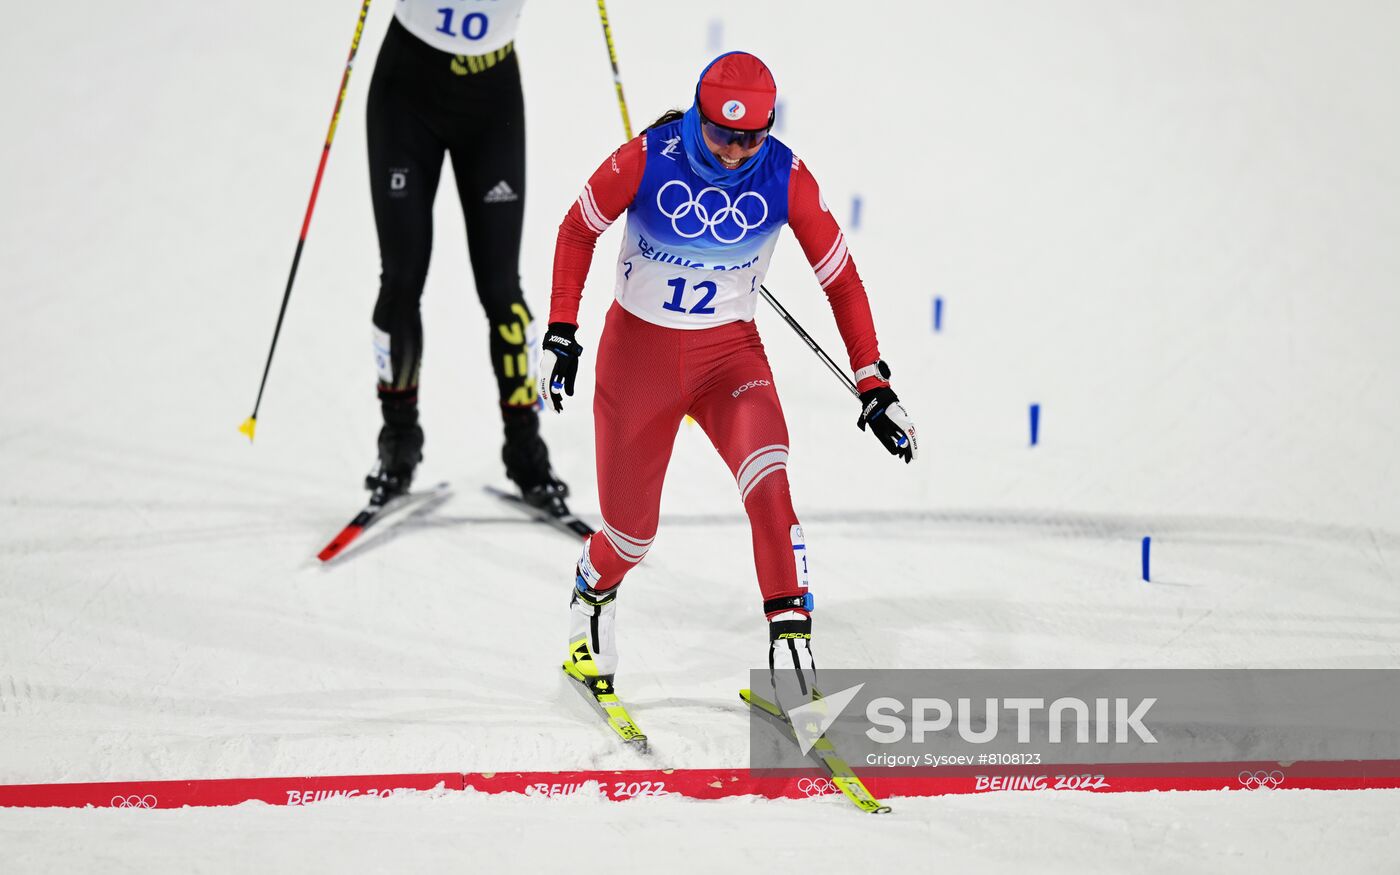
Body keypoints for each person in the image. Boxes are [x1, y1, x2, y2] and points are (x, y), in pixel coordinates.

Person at [539, 51, 917, 709]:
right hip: (638, 364)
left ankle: (793, 653)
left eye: (753, 135)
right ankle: (592, 590)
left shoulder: (786, 174)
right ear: (697, 116)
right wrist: (560, 332)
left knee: (769, 480)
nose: (739, 151)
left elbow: (841, 278)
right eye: (722, 135)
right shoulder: (647, 157)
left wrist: (872, 379)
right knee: (630, 536)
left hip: (729, 362)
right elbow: (576, 230)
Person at [363, 0, 574, 517]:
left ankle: (525, 450)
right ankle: (398, 443)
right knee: (402, 278)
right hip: (408, 89)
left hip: (490, 97)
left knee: (502, 288)